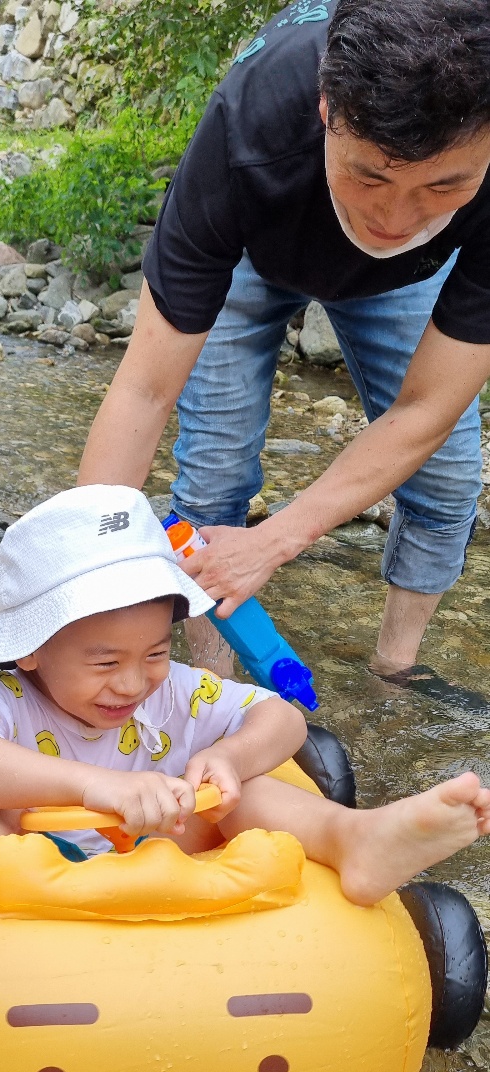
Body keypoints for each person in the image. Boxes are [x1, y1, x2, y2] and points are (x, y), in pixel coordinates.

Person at [0, 487, 490, 957]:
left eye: (156, 652)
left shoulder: (172, 691)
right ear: (30, 649)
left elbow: (284, 719)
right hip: (34, 855)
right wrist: (94, 786)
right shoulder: (1, 695)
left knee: (246, 792)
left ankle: (354, 839)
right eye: (105, 662)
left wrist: (230, 758)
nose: (134, 683)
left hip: (165, 844)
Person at [77, 0, 490, 683]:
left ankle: (396, 673)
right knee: (216, 470)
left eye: (445, 185)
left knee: (447, 477)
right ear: (327, 108)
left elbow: (426, 411)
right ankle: (214, 686)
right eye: (370, 175)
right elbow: (145, 390)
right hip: (254, 245)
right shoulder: (247, 126)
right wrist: (77, 587)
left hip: (412, 277)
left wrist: (275, 540)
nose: (395, 218)